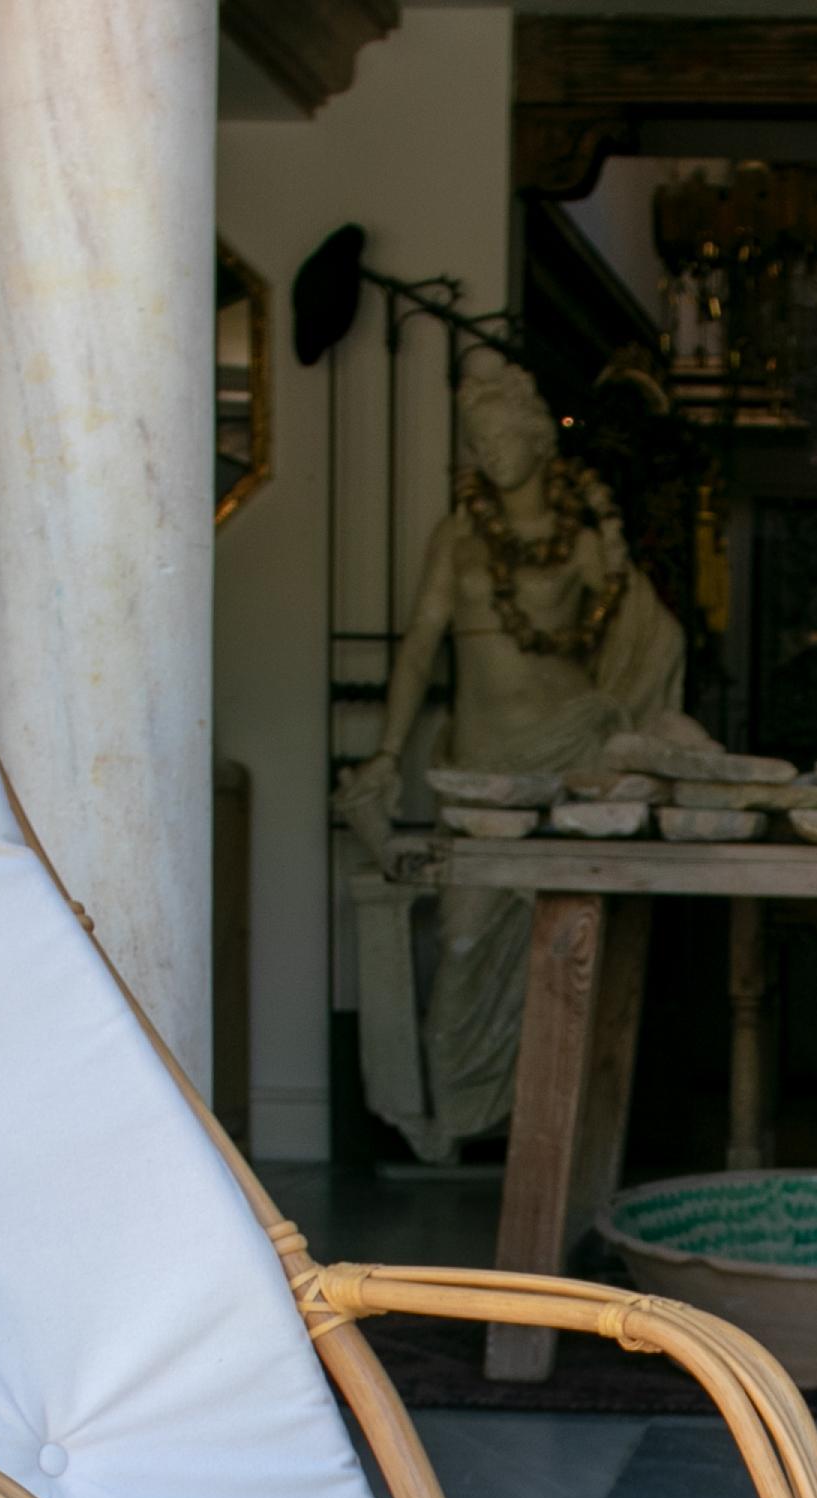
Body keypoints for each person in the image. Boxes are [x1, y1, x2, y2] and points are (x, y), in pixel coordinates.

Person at [340, 349, 692, 1157]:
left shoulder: (579, 536)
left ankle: (551, 1131)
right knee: (464, 941)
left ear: (538, 440)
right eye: (477, 440)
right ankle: (463, 1122)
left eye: (502, 435)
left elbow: (648, 630)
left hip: (567, 753)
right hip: (480, 765)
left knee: (568, 942)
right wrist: (388, 752)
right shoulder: (460, 537)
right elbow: (420, 649)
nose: (490, 453)